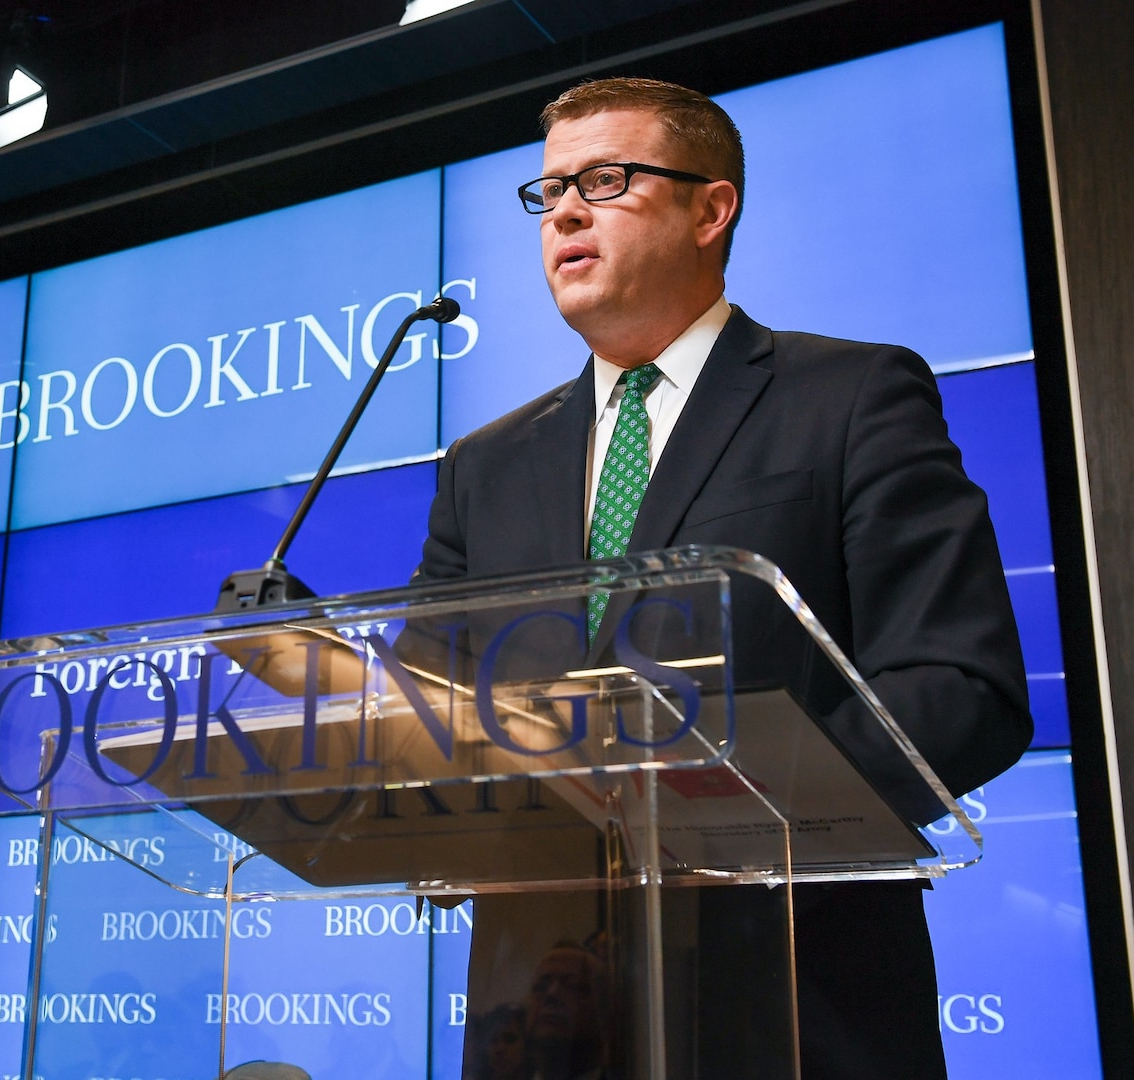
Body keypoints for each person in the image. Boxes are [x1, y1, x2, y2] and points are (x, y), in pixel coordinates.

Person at [416, 78, 1032, 1078]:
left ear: (712, 208)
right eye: (549, 192)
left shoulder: (851, 398)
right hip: (542, 1023)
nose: (565, 210)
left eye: (605, 180)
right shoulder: (485, 467)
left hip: (795, 1002)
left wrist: (716, 806)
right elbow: (430, 716)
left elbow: (962, 688)